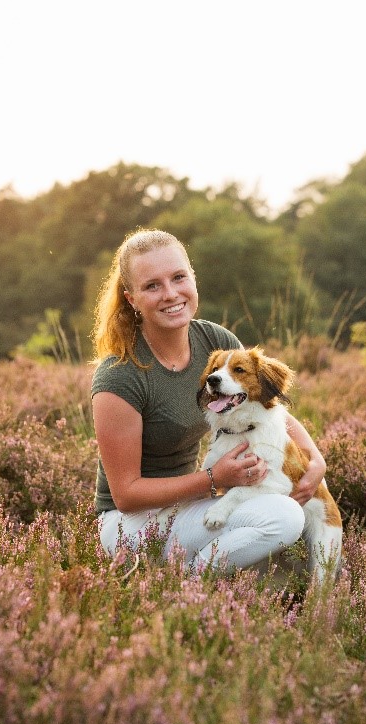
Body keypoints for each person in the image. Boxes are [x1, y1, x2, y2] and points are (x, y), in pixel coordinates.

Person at [91, 229, 327, 572]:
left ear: (193, 279)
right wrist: (215, 479)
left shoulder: (214, 340)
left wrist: (316, 459)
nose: (171, 294)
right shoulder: (120, 375)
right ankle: (190, 588)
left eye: (178, 277)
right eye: (152, 286)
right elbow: (126, 495)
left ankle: (209, 579)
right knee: (284, 518)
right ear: (132, 299)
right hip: (130, 523)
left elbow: (262, 408)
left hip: (191, 502)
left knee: (282, 521)